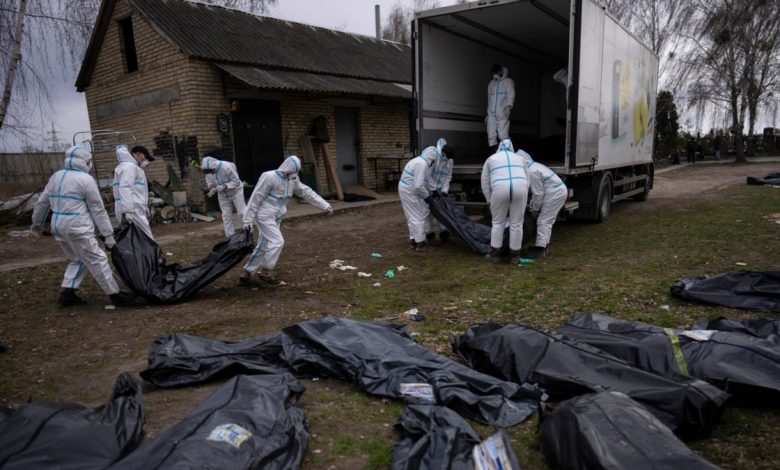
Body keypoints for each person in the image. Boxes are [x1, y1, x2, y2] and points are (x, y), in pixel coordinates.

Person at [30, 146, 135, 307]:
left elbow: (42, 203)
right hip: (77, 227)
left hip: (58, 226)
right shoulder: (85, 180)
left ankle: (67, 293)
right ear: (86, 162)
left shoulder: (56, 177)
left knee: (77, 259)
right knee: (97, 259)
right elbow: (97, 209)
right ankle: (115, 294)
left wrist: (36, 224)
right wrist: (107, 234)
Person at [240, 155, 332, 285]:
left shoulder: (292, 179)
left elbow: (306, 192)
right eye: (293, 172)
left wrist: (324, 204)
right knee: (277, 241)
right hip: (264, 215)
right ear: (287, 169)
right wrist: (247, 219)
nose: (294, 174)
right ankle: (265, 270)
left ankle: (247, 272)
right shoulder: (269, 177)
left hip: (277, 215)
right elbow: (256, 197)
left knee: (264, 243)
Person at [480, 139, 528, 262]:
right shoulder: (521, 158)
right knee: (517, 223)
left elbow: (484, 181)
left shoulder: (491, 159)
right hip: (520, 187)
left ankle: (495, 255)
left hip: (499, 189)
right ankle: (515, 256)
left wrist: (489, 199)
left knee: (497, 222)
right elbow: (527, 180)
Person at [517, 149, 567, 258]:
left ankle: (540, 250)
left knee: (544, 221)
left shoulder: (531, 171)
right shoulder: (534, 166)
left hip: (555, 193)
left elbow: (538, 194)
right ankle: (543, 247)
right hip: (556, 191)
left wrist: (534, 209)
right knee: (546, 221)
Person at [399, 145, 439, 251]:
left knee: (411, 216)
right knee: (418, 216)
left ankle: (413, 240)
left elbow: (427, 179)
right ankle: (420, 244)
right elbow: (418, 186)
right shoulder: (423, 164)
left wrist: (434, 189)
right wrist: (427, 197)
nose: (434, 163)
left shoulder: (419, 160)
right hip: (410, 191)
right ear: (432, 158)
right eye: (434, 161)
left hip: (406, 189)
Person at [113, 144, 154, 240]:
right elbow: (126, 188)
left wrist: (144, 207)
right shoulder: (129, 167)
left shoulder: (131, 167)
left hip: (134, 207)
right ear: (137, 154)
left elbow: (137, 190)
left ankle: (145, 254)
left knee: (135, 238)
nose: (145, 161)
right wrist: (128, 211)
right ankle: (152, 254)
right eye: (145, 158)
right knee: (146, 236)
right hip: (132, 208)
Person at [200, 153, 246, 237]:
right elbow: (208, 179)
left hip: (235, 192)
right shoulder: (208, 171)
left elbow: (236, 182)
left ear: (215, 166)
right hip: (222, 194)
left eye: (212, 171)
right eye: (209, 172)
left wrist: (224, 186)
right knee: (226, 216)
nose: (211, 173)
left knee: (242, 213)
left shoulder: (227, 166)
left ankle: (248, 231)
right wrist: (211, 186)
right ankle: (230, 237)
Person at [425, 137, 455, 244]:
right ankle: (429, 235)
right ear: (443, 152)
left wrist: (444, 191)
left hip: (440, 189)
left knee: (442, 211)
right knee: (427, 211)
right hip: (428, 189)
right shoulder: (434, 158)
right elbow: (427, 176)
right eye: (448, 156)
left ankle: (444, 234)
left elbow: (448, 176)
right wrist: (433, 190)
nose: (449, 159)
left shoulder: (450, 160)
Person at [486, 63, 515, 151]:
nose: (495, 74)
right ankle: (494, 154)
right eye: (494, 73)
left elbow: (511, 95)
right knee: (491, 135)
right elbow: (489, 100)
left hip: (502, 112)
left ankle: (509, 153)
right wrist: (488, 114)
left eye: (496, 72)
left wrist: (509, 108)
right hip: (491, 113)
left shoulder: (508, 82)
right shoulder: (491, 84)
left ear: (501, 71)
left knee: (503, 135)